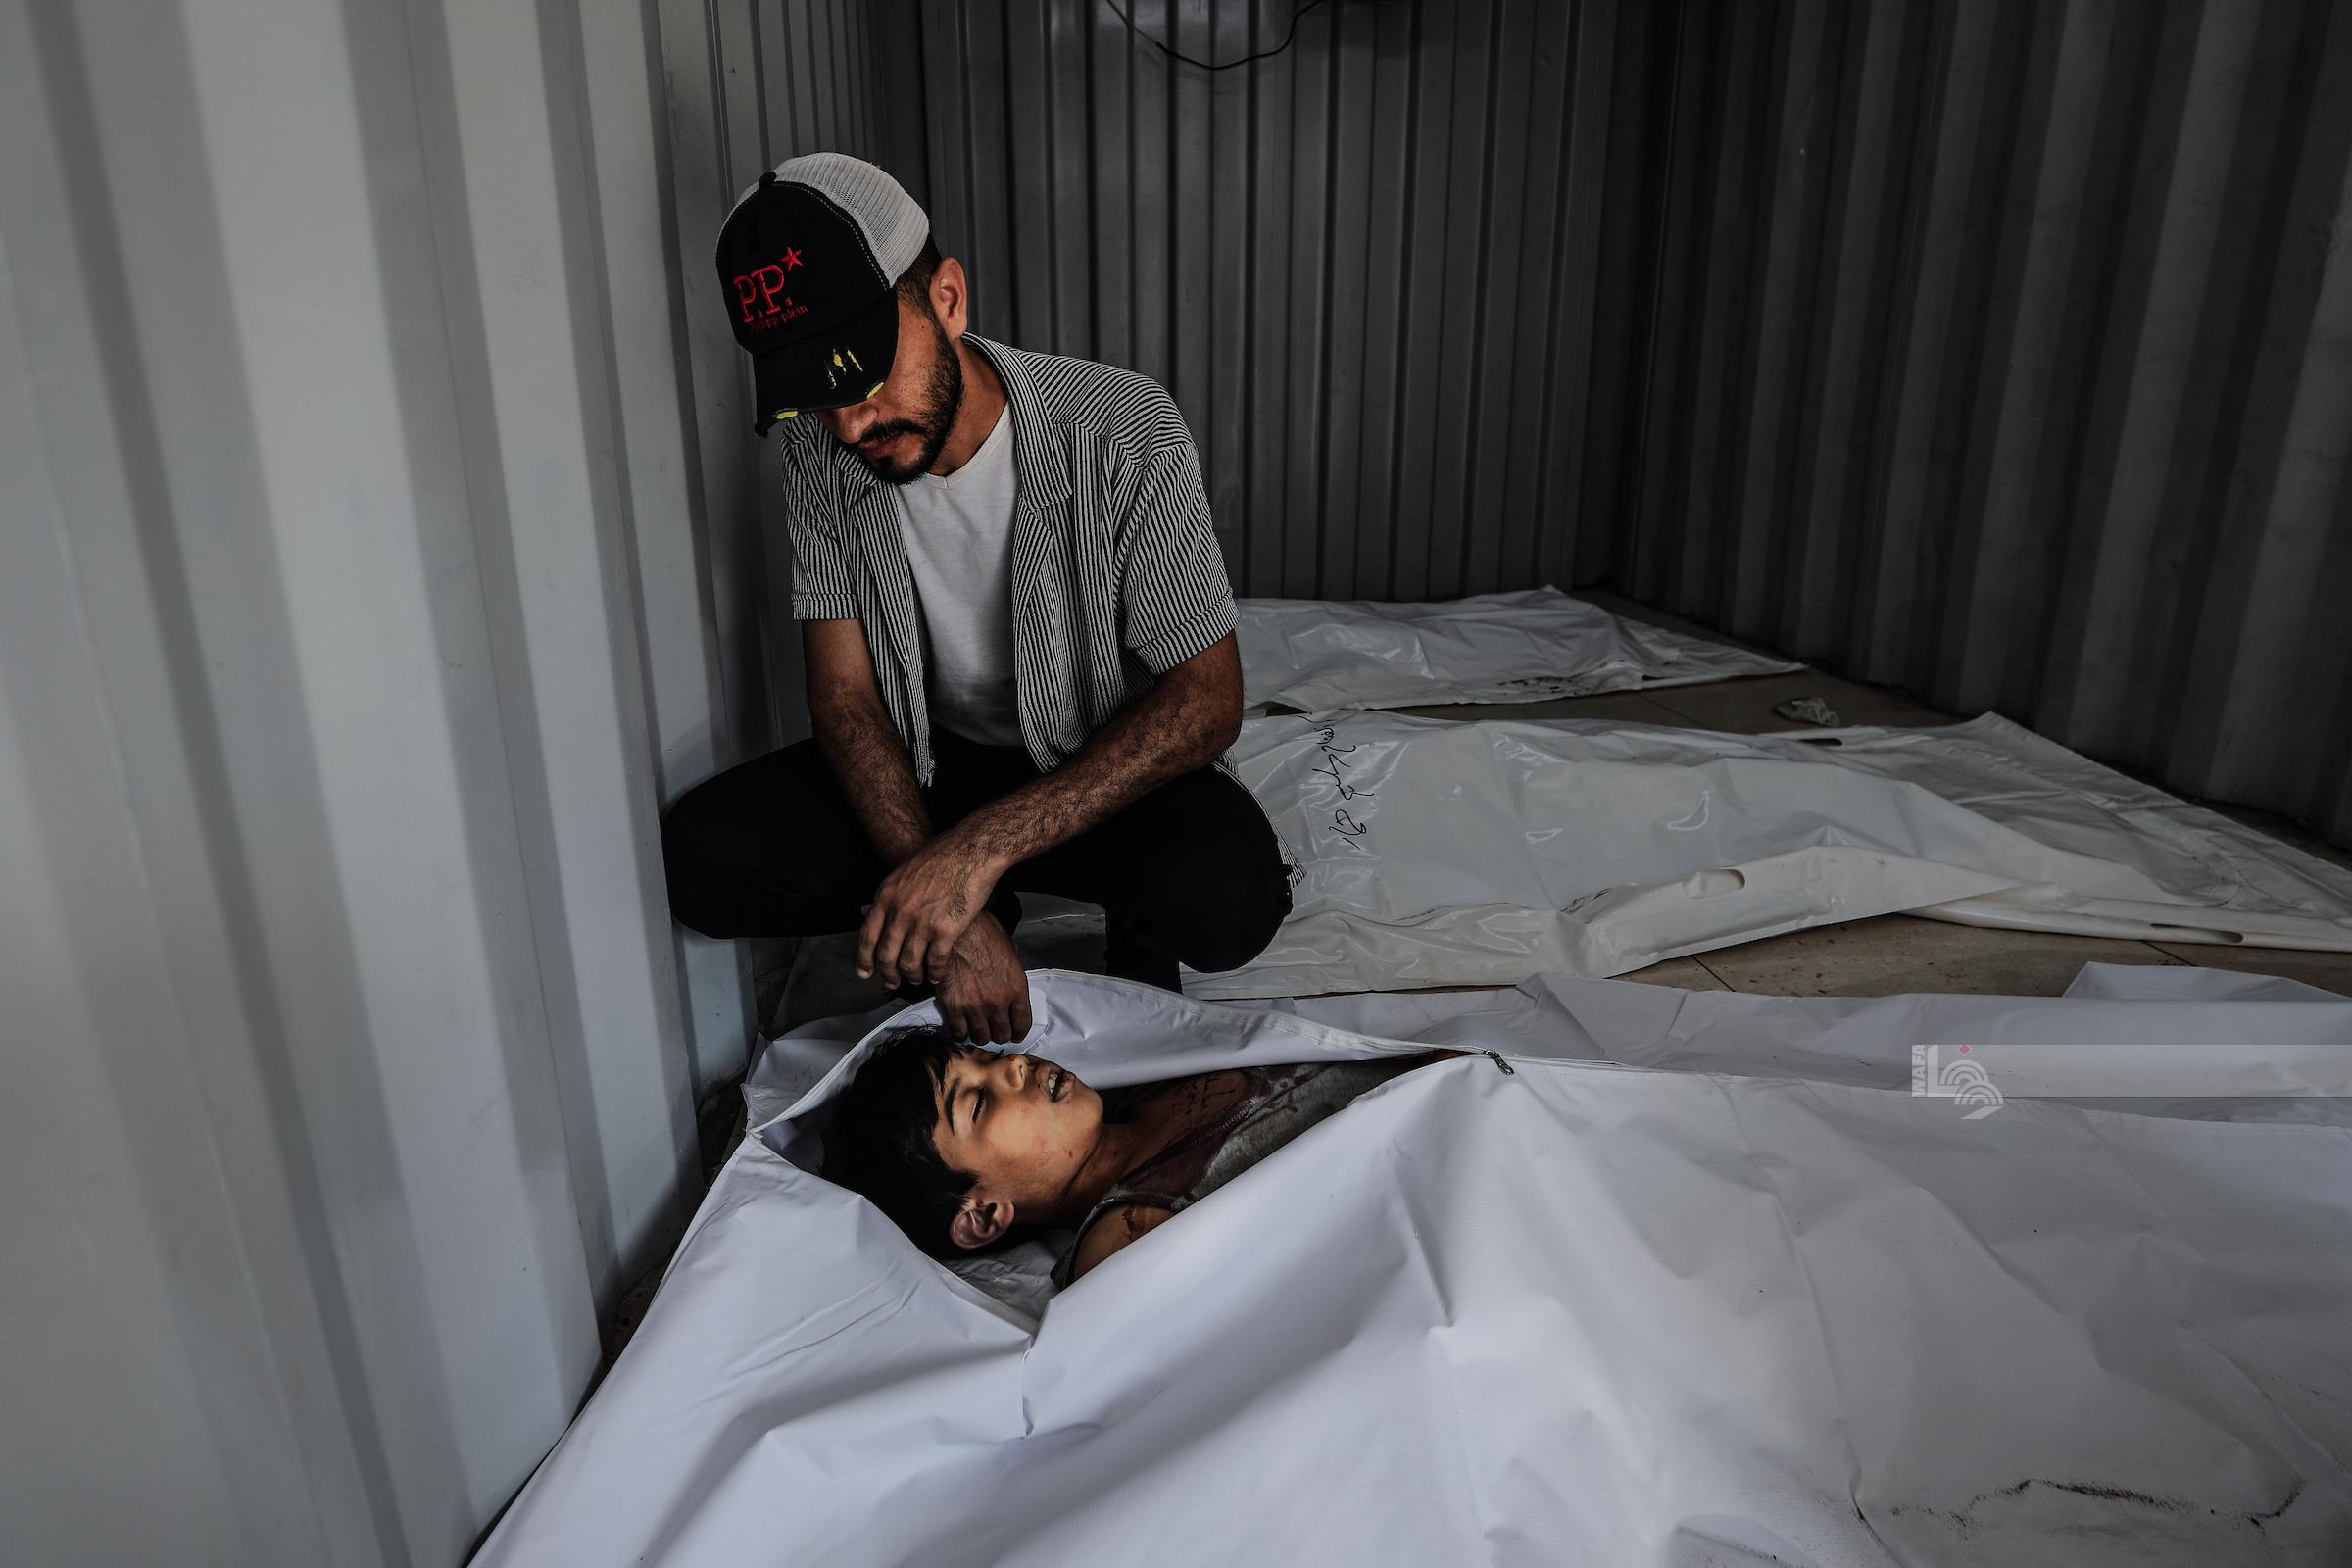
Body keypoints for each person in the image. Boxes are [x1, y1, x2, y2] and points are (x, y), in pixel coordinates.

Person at [662, 152, 1295, 1045]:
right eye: (815, 394)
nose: (852, 423)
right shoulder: (822, 451)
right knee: (703, 858)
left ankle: (1083, 914)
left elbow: (1207, 700)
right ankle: (960, 914)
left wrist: (973, 856)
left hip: (1089, 761)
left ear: (949, 300)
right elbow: (844, 698)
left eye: (864, 373)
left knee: (1230, 898)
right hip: (932, 764)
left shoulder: (1121, 428)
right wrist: (955, 915)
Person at [819, 1024, 1458, 1287]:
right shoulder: (1124, 1242)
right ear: (984, 1214)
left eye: (988, 1057)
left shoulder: (1145, 1079)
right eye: (979, 1103)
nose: (1014, 1065)